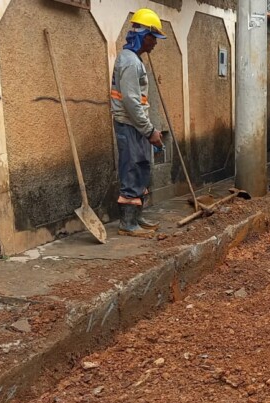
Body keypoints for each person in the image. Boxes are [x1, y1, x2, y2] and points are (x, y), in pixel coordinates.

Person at [111, 8, 166, 238]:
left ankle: (137, 217)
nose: (155, 44)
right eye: (153, 38)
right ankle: (127, 224)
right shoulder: (130, 63)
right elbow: (132, 103)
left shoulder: (134, 60)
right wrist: (150, 130)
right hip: (130, 125)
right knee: (132, 170)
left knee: (141, 168)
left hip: (137, 125)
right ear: (144, 35)